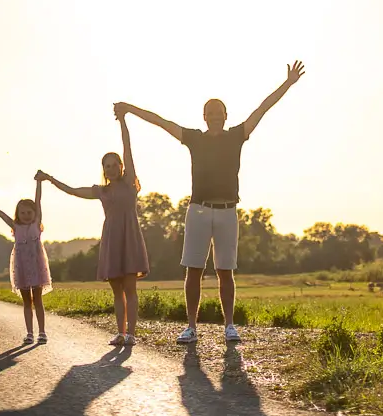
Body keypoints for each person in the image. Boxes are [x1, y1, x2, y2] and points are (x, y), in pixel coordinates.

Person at [117, 59, 305, 345]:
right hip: (199, 210)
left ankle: (229, 325)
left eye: (219, 113)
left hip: (227, 211)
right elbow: (161, 122)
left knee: (225, 271)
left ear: (226, 116)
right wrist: (131, 109)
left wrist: (288, 83)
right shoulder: (194, 138)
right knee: (193, 270)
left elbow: (263, 108)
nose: (215, 117)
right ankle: (191, 327)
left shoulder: (237, 135)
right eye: (210, 113)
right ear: (204, 117)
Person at [42, 111, 148, 347]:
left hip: (130, 238)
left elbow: (127, 148)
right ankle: (120, 333)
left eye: (114, 165)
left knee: (130, 289)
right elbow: (72, 191)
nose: (111, 169)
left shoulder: (130, 183)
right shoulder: (101, 191)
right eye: (106, 166)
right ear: (104, 169)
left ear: (121, 166)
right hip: (111, 240)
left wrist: (123, 122)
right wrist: (50, 179)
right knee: (117, 291)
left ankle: (131, 334)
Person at [0, 179, 51, 344]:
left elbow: (38, 200)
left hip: (37, 267)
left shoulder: (36, 224)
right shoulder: (16, 227)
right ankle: (29, 333)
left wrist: (39, 183)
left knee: (38, 299)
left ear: (34, 213)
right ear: (18, 214)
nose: (26, 215)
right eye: (22, 213)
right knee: (26, 301)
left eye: (29, 212)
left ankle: (42, 332)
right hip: (21, 267)